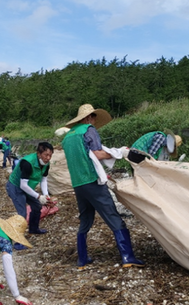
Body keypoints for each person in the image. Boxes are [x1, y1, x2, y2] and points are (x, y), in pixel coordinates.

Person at [61, 104, 145, 269]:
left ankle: (82, 259)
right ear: (88, 118)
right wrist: (120, 153)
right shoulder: (88, 129)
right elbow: (97, 153)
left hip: (78, 184)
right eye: (93, 118)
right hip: (92, 181)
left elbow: (84, 156)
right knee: (113, 217)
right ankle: (128, 256)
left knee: (85, 220)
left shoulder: (67, 137)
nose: (94, 121)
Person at [6, 142, 53, 249]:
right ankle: (18, 242)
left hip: (27, 187)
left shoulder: (46, 164)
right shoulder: (27, 163)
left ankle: (33, 228)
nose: (48, 158)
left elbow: (43, 180)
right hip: (16, 187)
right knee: (22, 213)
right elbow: (23, 185)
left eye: (50, 155)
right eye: (46, 155)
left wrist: (45, 196)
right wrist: (38, 196)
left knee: (37, 206)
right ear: (38, 154)